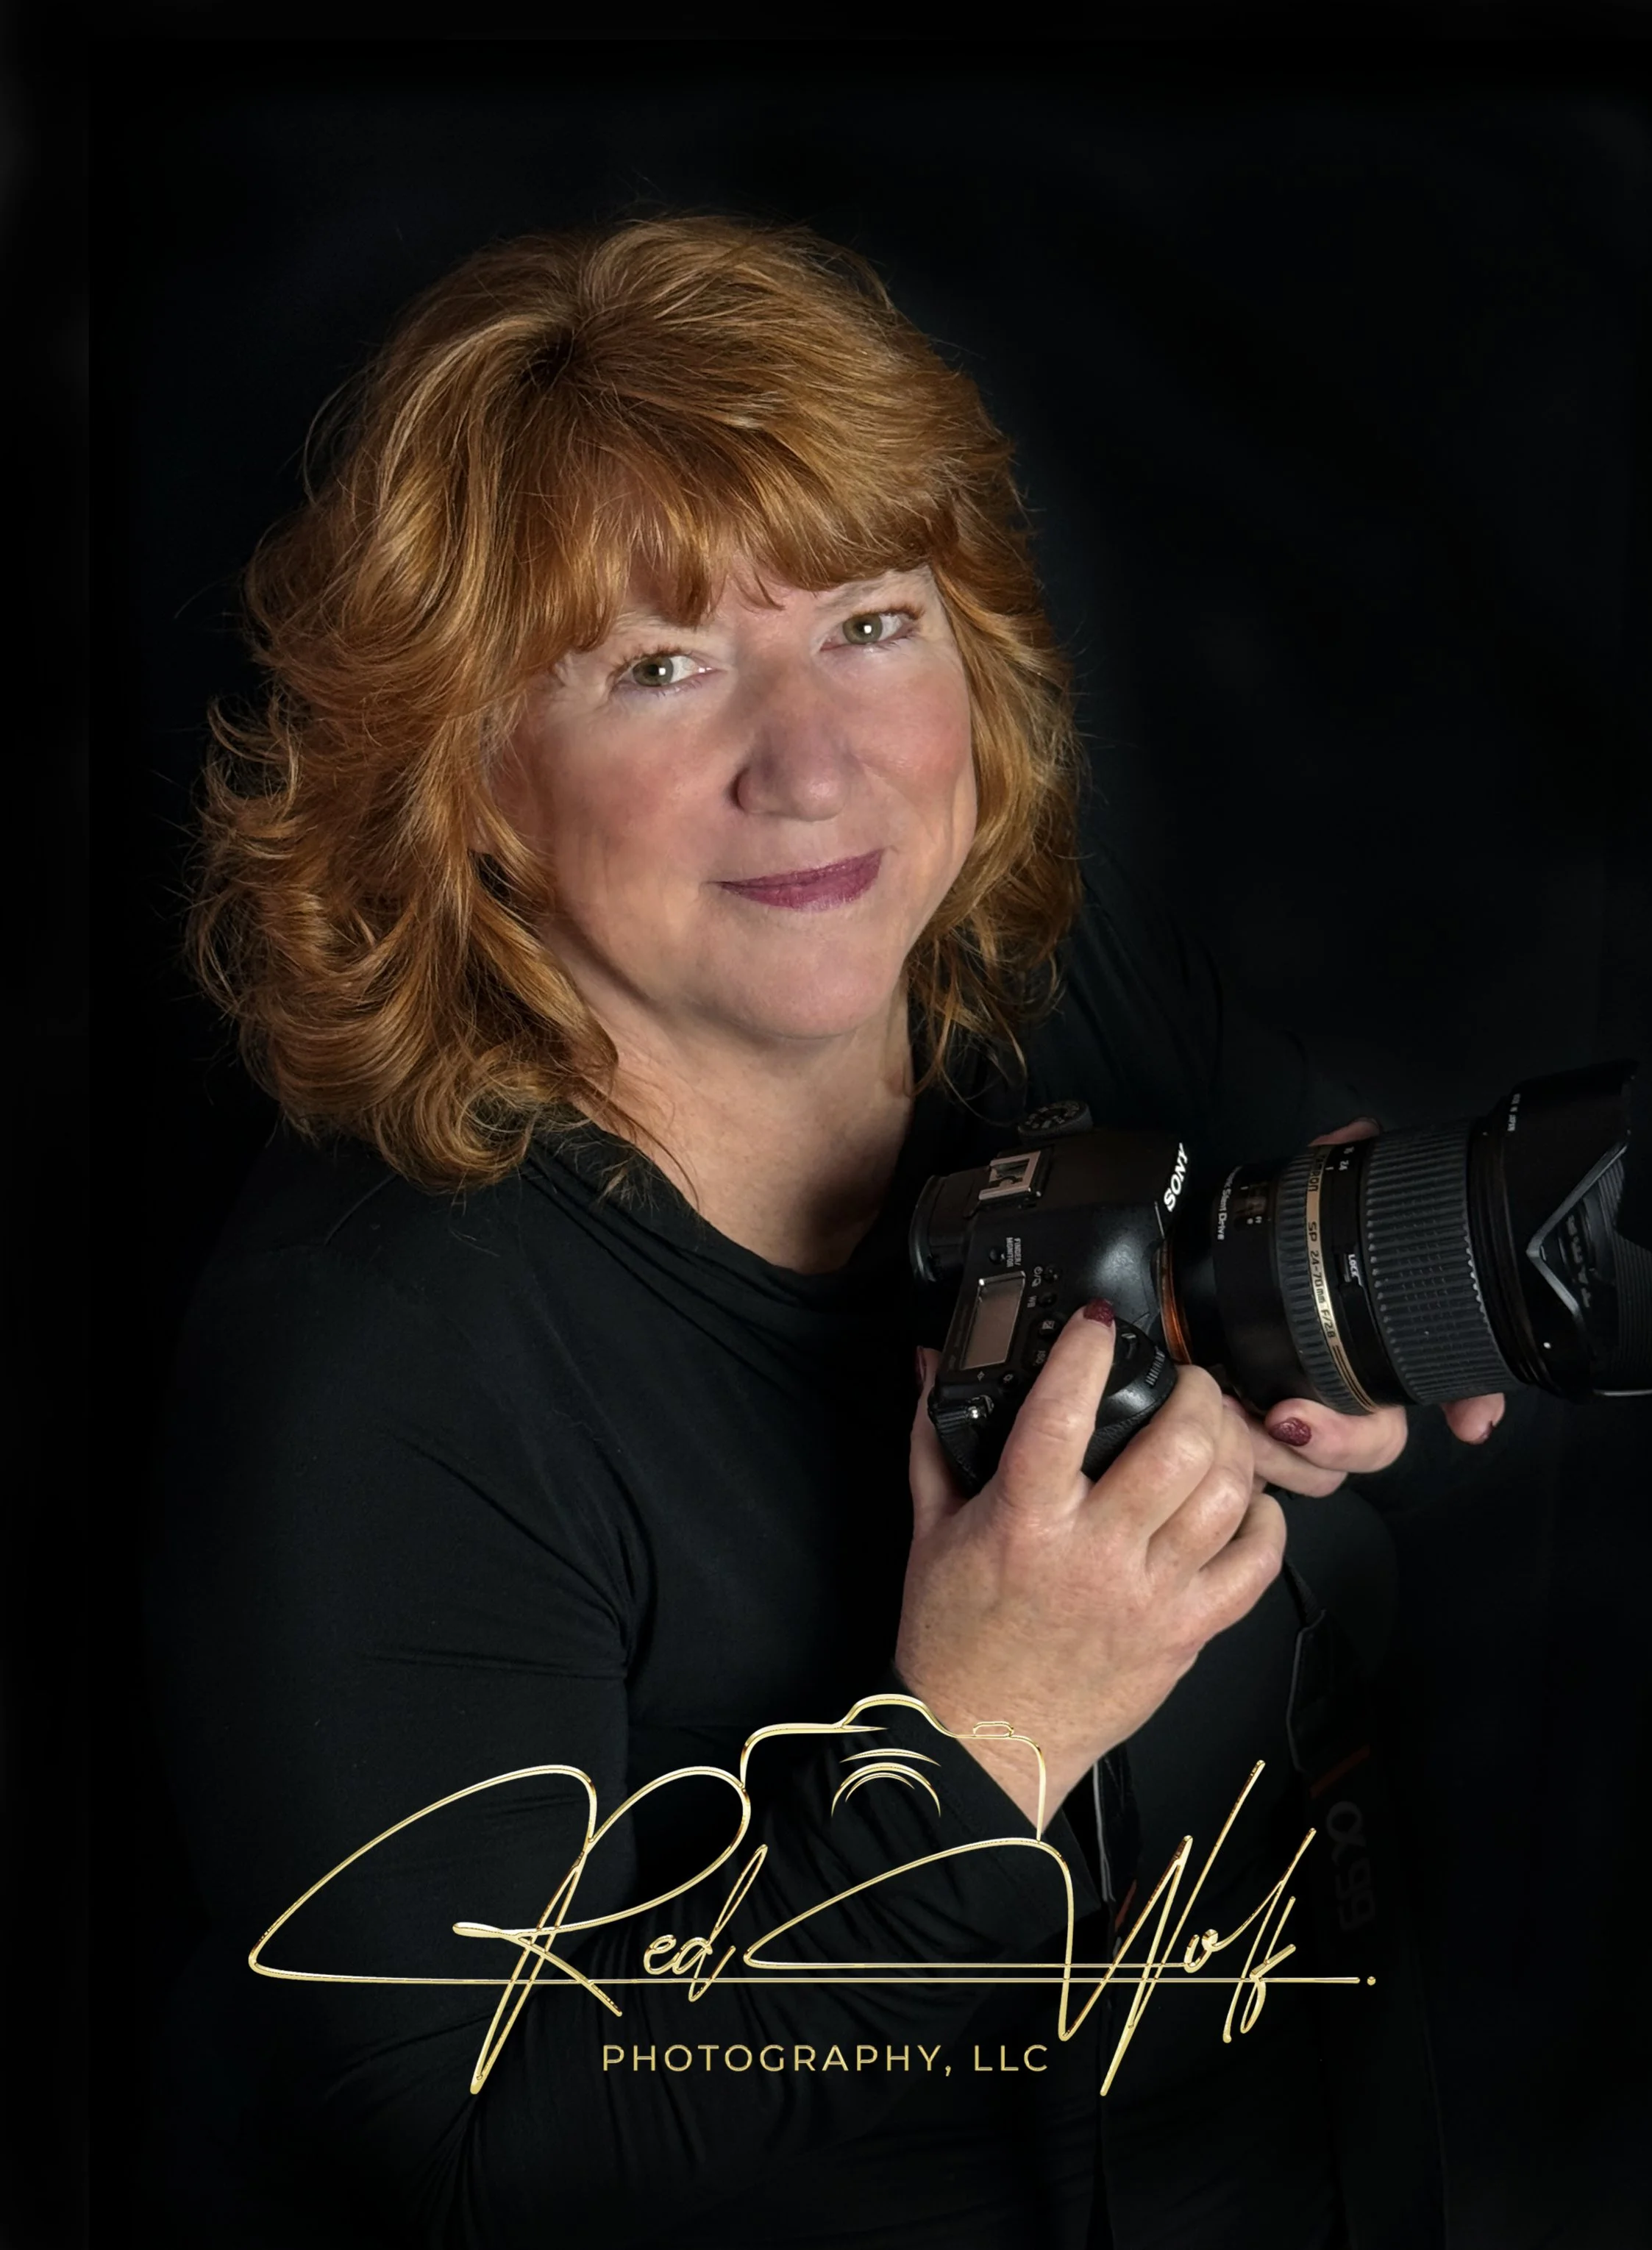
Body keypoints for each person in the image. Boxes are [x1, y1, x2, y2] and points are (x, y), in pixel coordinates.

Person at [147, 215, 1502, 2249]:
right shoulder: (383, 1361)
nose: (812, 767)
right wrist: (978, 1750)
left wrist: (1366, 1302)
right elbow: (456, 2170)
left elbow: (1363, 1208)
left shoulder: (1052, 1000)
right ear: (469, 781)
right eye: (660, 668)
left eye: (870, 623)